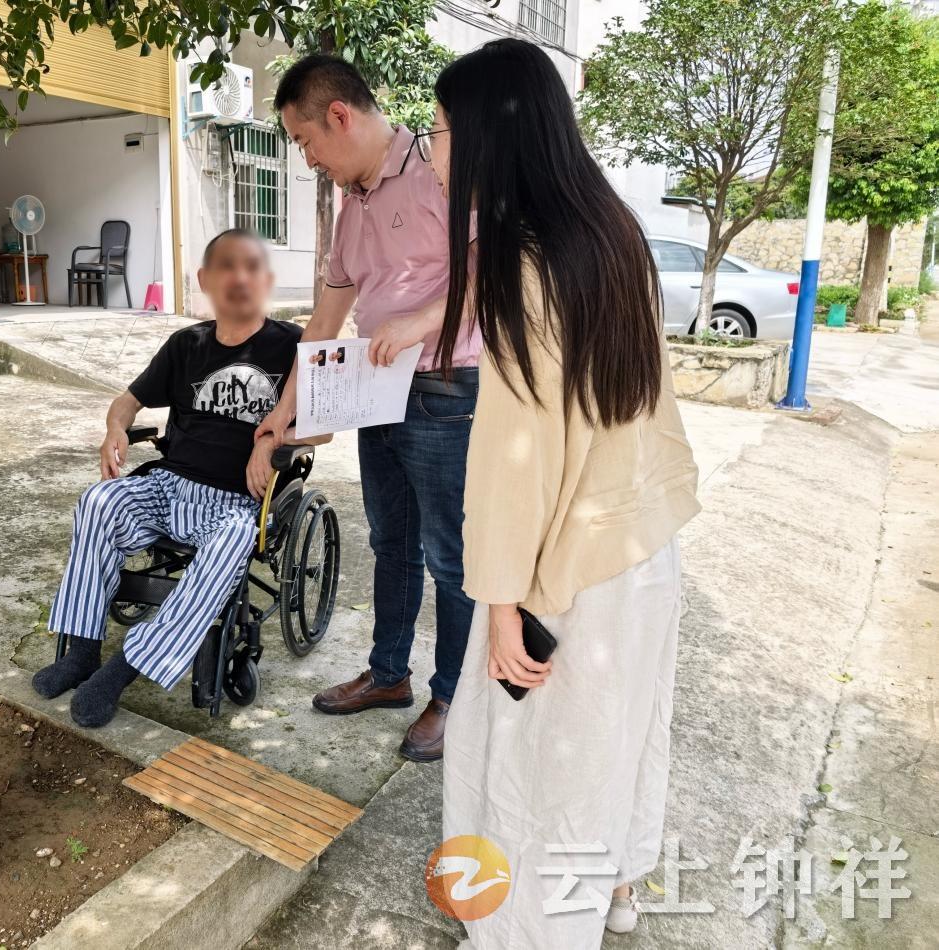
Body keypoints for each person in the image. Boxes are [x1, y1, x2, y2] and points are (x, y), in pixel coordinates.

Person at [428, 40, 701, 947]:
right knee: (615, 743)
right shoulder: (611, 232)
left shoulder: (522, 265)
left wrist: (501, 603)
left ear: (486, 137)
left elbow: (516, 463)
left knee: (536, 772)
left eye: (438, 131)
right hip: (642, 547)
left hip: (568, 571)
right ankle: (616, 888)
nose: (432, 152)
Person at [258, 55, 481, 763]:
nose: (307, 159)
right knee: (391, 542)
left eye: (305, 142)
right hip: (376, 392)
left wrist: (419, 322)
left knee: (451, 556)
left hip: (447, 389)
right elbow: (323, 324)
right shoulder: (351, 207)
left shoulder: (441, 171)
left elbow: (497, 275)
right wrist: (283, 414)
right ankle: (389, 675)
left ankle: (454, 696)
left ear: (339, 116)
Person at [32, 229, 324, 726]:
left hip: (237, 500)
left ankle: (121, 671)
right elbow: (127, 402)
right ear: (205, 280)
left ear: (266, 280)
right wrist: (114, 429)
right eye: (226, 267)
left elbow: (326, 429)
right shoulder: (186, 344)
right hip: (169, 486)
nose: (239, 278)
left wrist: (272, 439)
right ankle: (80, 654)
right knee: (99, 502)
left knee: (232, 540)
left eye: (251, 267)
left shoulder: (292, 346)